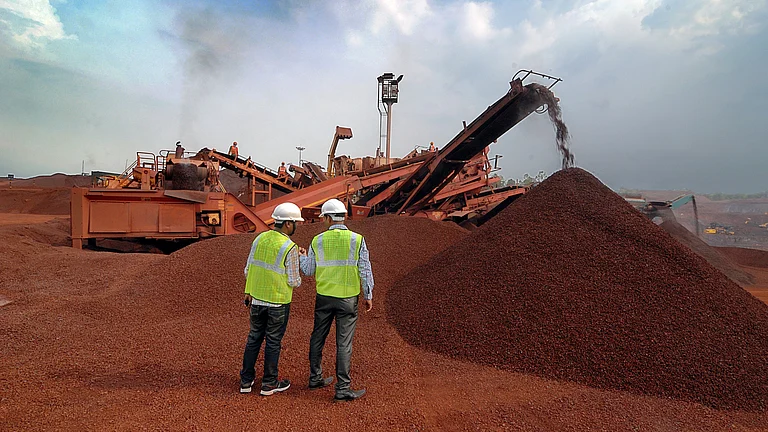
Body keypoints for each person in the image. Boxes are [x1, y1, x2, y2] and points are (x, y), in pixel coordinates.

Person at [299, 198, 373, 402]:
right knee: (344, 343)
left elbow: (308, 270)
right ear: (344, 216)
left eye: (324, 217)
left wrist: (303, 257)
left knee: (317, 337)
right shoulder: (357, 240)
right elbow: (365, 269)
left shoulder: (317, 240)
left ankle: (315, 378)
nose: (323, 220)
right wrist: (368, 295)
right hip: (348, 299)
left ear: (329, 218)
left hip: (323, 297)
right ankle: (343, 388)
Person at [240, 202, 305, 396]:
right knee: (273, 342)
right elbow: (294, 281)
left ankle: (245, 381)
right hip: (278, 303)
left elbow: (247, 270)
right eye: (296, 223)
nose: (297, 226)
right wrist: (300, 259)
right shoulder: (290, 247)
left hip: (257, 301)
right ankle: (269, 383)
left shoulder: (259, 239)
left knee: (253, 339)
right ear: (287, 224)